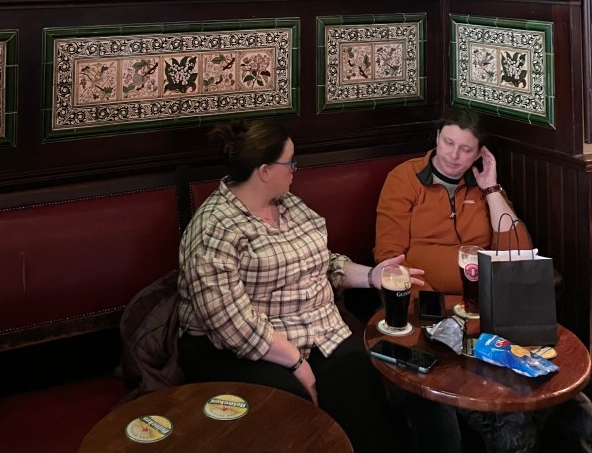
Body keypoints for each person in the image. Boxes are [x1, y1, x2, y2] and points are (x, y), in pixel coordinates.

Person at [178, 119, 427, 453]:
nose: (296, 169)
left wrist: (372, 276)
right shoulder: (215, 229)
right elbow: (229, 324)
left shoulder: (288, 204)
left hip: (314, 329)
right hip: (239, 347)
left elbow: (321, 262)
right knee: (290, 401)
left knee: (361, 374)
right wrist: (296, 363)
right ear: (264, 170)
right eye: (290, 161)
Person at [374, 108, 532, 293]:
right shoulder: (404, 178)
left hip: (486, 296)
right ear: (437, 137)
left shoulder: (484, 185)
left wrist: (491, 190)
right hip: (424, 299)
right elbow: (390, 256)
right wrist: (428, 304)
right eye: (448, 142)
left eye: (466, 149)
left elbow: (519, 252)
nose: (454, 155)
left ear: (480, 154)